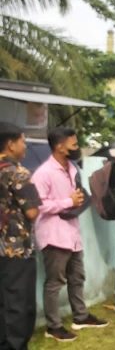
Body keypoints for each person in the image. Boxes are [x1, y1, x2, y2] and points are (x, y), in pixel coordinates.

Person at [33, 128, 107, 342]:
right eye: (73, 145)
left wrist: (79, 200)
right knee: (55, 282)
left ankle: (81, 317)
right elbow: (39, 205)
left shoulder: (72, 168)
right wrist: (68, 202)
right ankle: (53, 326)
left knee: (77, 277)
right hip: (53, 234)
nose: (77, 149)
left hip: (72, 232)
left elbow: (77, 195)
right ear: (59, 146)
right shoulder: (44, 173)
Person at [0, 122, 42, 349]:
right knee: (20, 303)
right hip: (16, 247)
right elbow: (32, 212)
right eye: (23, 141)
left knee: (3, 301)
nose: (25, 146)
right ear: (10, 144)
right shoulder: (18, 173)